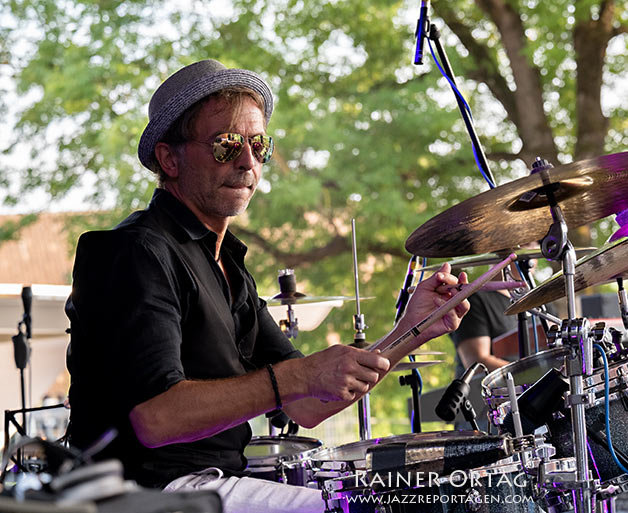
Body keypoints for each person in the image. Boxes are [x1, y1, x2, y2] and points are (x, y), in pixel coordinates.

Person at [65, 59, 469, 513]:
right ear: (168, 159)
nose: (247, 161)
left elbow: (308, 406)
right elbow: (155, 418)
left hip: (207, 485)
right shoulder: (134, 251)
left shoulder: (228, 267)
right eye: (225, 145)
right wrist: (300, 375)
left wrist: (414, 327)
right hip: (142, 492)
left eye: (258, 145)